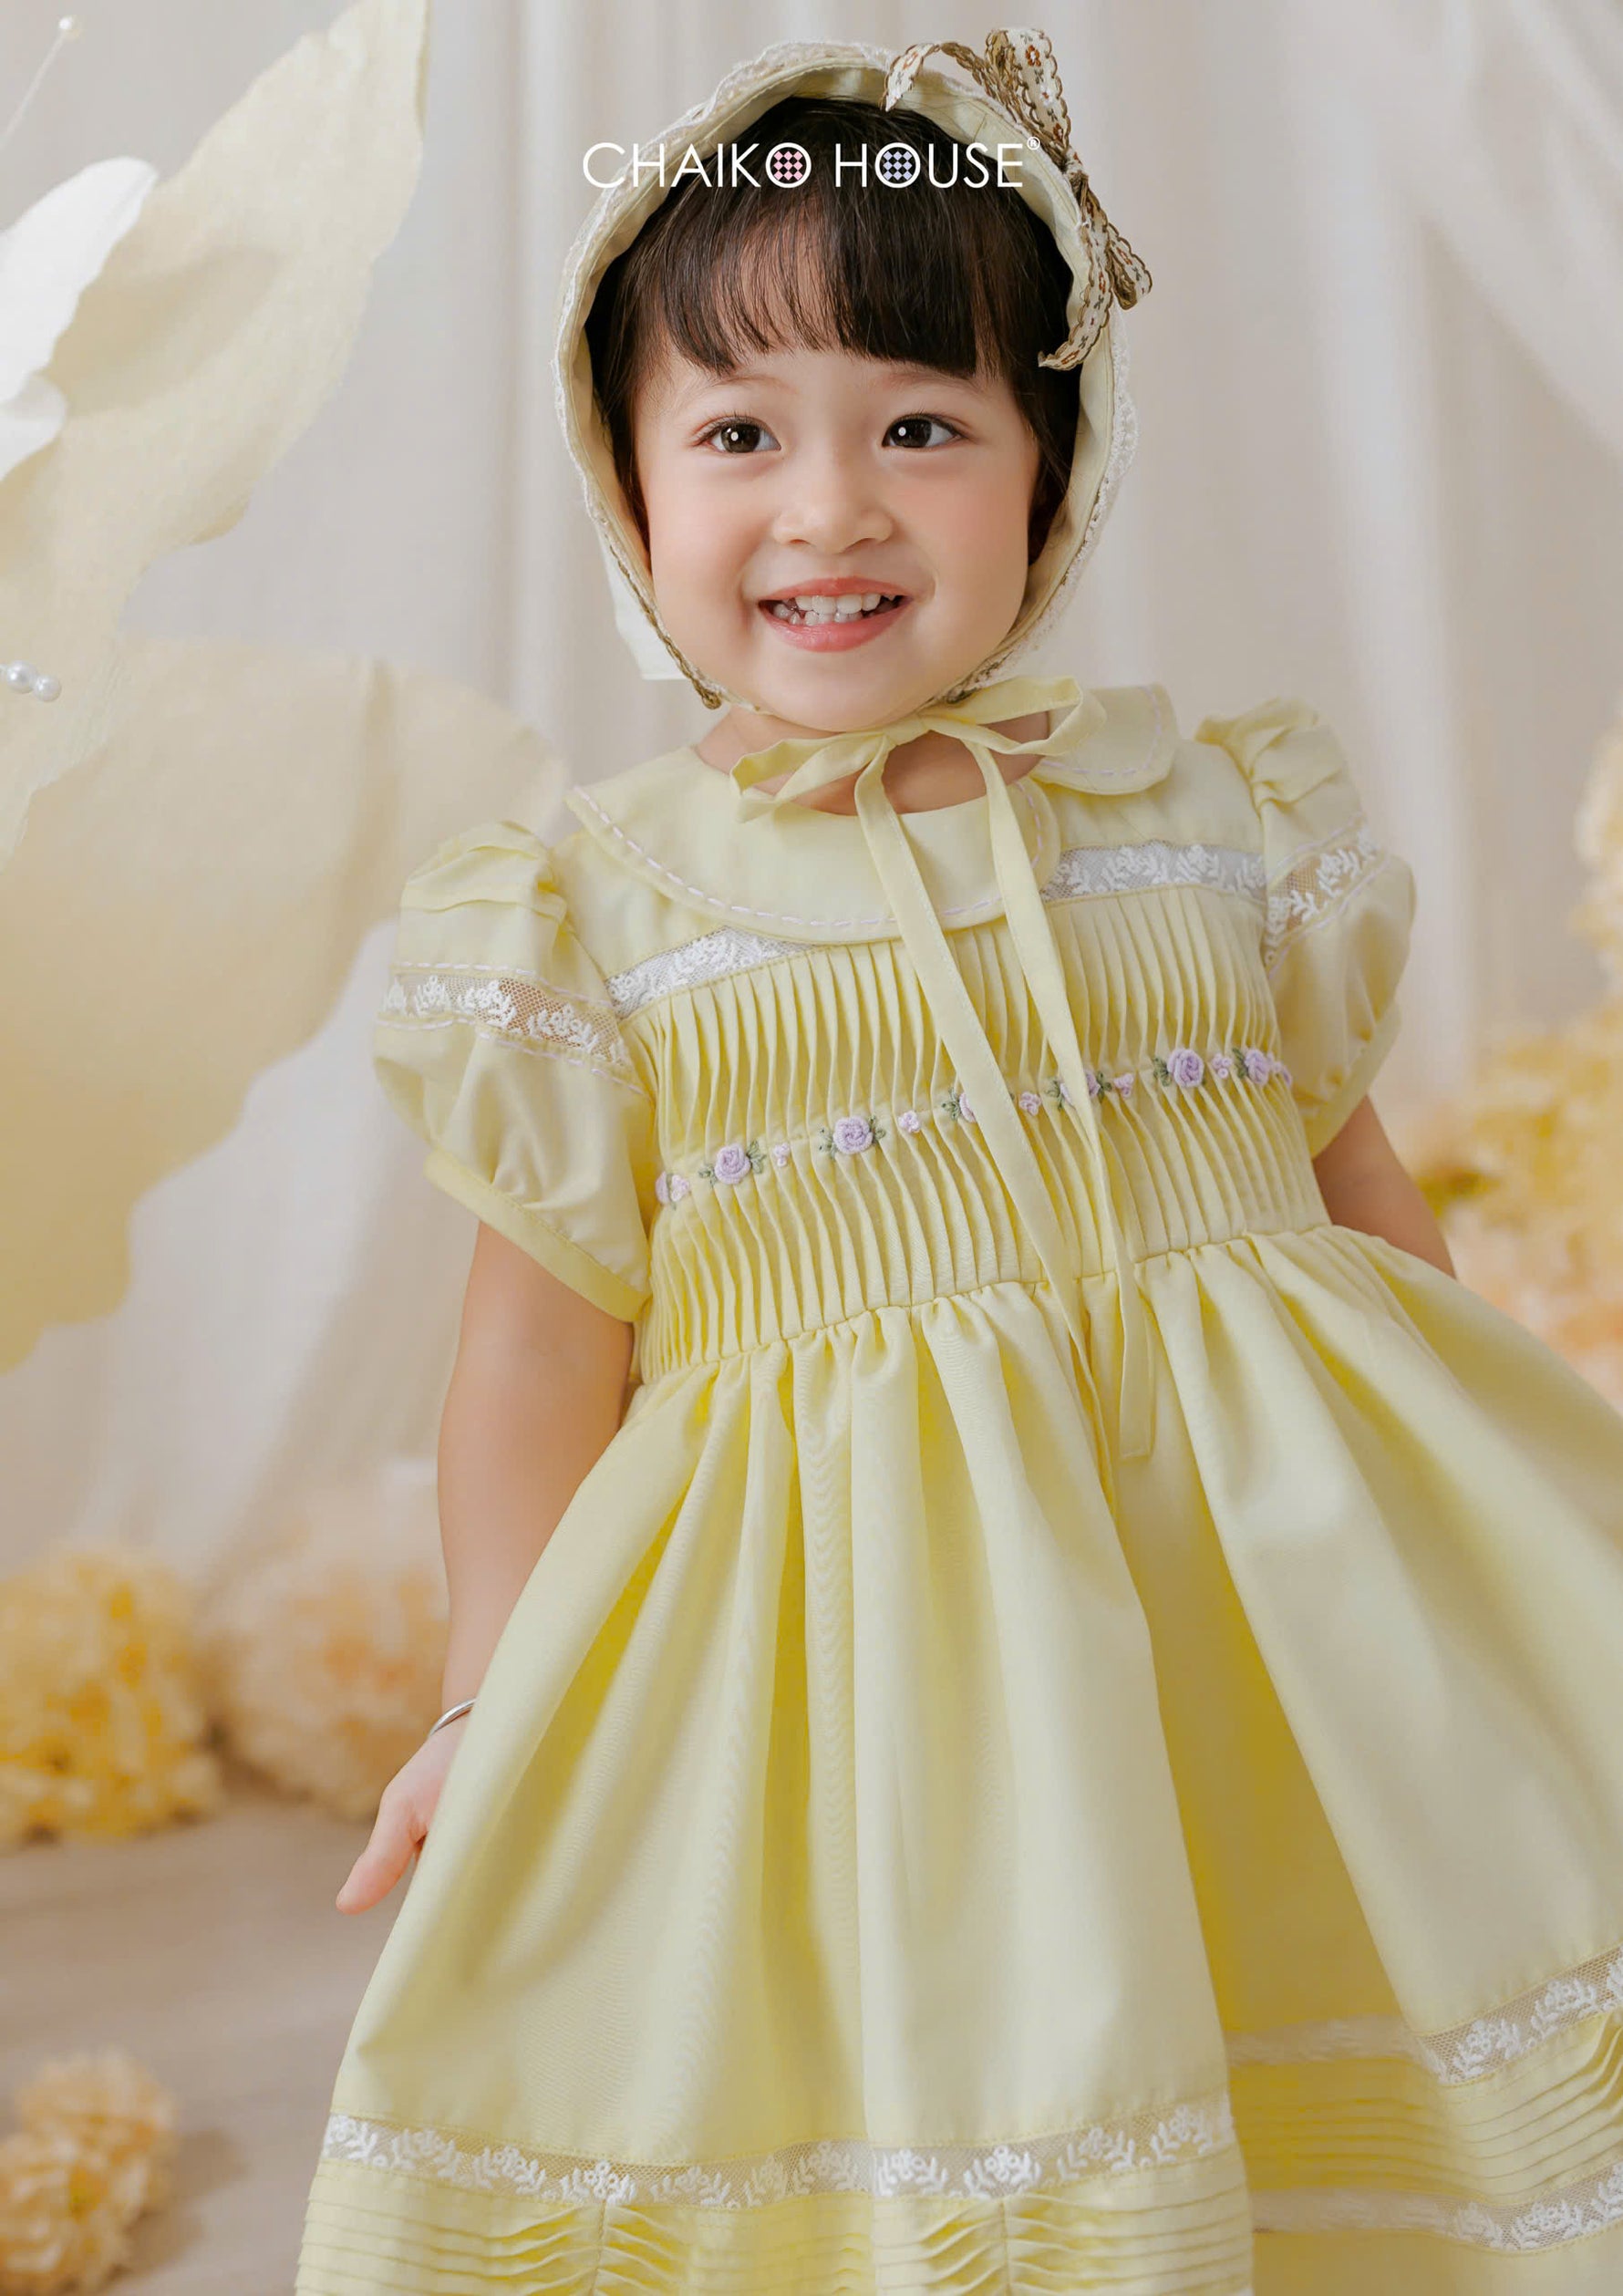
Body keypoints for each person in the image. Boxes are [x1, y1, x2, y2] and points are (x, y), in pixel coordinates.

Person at [298, 30, 1623, 2294]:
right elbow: (531, 1358)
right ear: (627, 498)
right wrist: (476, 1696)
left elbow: (1362, 1206)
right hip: (861, 1640)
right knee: (987, 2048)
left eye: (919, 424)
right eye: (737, 437)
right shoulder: (594, 908)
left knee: (1363, 1989)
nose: (828, 510)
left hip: (1282, 1577)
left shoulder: (1212, 816)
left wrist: (1515, 1525)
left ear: (1052, 464)